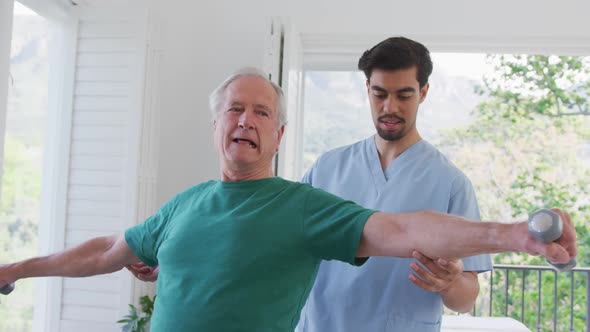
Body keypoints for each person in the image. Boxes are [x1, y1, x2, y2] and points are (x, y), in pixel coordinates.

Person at [0, 68, 578, 332]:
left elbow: (403, 230)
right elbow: (106, 249)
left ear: (278, 136)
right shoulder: (183, 206)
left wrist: (514, 235)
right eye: (235, 108)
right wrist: (18, 268)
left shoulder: (303, 205)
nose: (247, 121)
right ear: (215, 126)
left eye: (263, 113)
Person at [296, 37, 491, 332]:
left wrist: (450, 282)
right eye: (380, 94)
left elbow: (466, 300)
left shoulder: (451, 184)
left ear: (423, 93)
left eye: (404, 95)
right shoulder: (326, 169)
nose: (390, 107)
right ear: (367, 90)